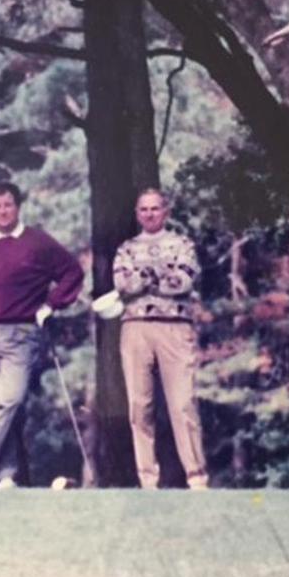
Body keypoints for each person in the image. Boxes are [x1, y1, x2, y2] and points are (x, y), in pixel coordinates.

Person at [0, 182, 83, 487]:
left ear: (18, 207)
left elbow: (72, 272)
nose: (2, 211)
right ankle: (5, 475)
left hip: (21, 333)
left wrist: (50, 305)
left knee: (10, 401)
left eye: (7, 205)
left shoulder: (38, 242)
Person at [113, 188, 208, 489]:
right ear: (137, 214)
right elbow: (122, 283)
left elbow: (182, 281)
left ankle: (196, 477)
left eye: (155, 209)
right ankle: (147, 479)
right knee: (139, 406)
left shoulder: (182, 244)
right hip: (136, 327)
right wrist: (159, 273)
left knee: (182, 403)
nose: (150, 214)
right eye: (144, 209)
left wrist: (144, 277)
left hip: (175, 327)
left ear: (165, 211)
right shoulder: (126, 248)